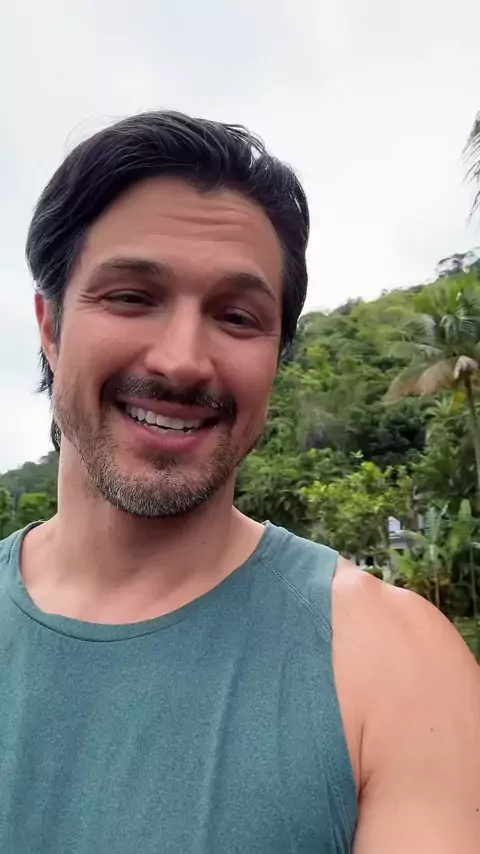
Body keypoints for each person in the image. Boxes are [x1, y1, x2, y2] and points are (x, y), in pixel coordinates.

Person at [0, 112, 479, 854]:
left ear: (277, 358)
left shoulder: (397, 664)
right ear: (51, 327)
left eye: (236, 316)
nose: (183, 361)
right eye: (131, 297)